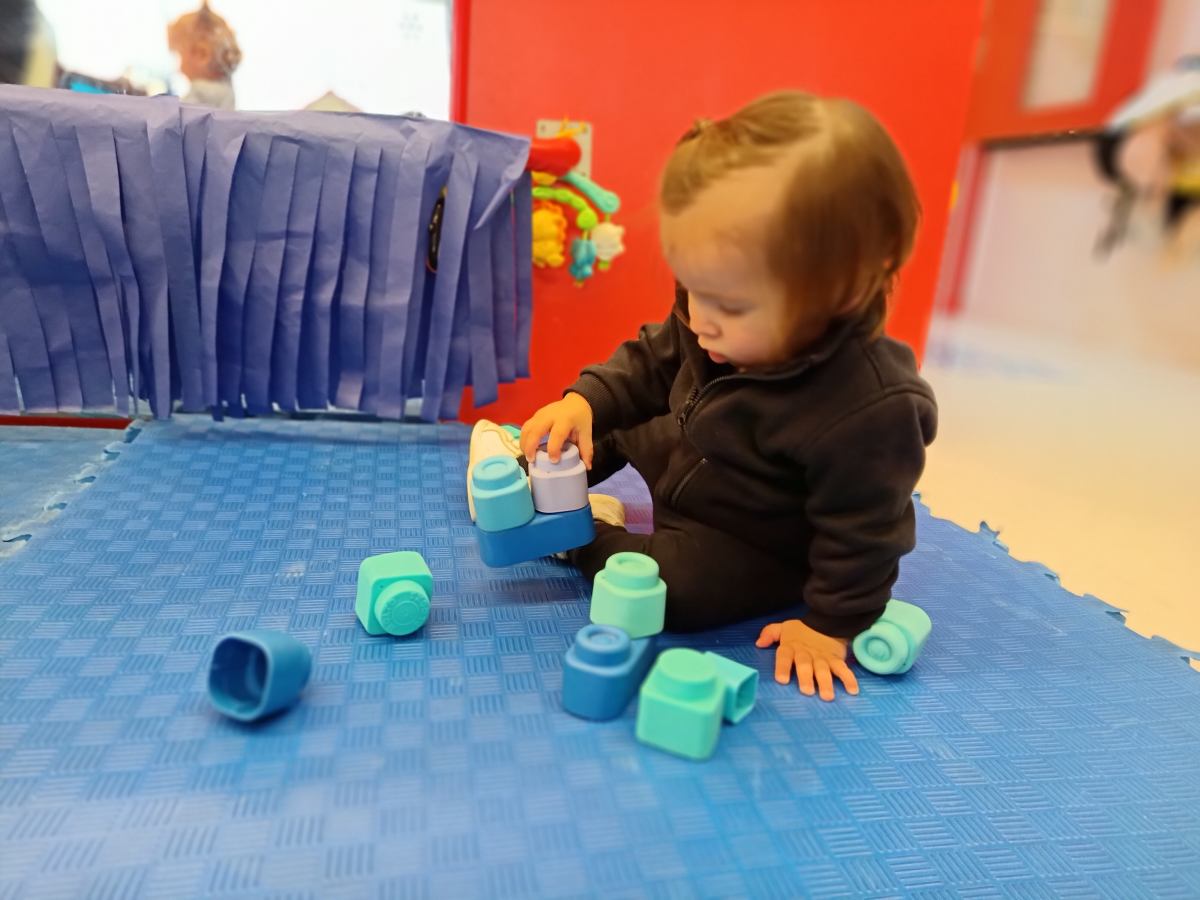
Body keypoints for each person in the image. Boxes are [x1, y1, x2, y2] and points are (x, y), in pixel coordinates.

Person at [519, 90, 937, 701]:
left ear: (840, 295)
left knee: (676, 594)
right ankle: (554, 463)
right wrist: (582, 402)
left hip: (751, 539)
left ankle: (583, 535)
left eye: (731, 306)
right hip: (695, 449)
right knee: (620, 414)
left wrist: (832, 625)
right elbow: (651, 362)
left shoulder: (869, 410)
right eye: (692, 288)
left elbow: (867, 533)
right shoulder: (710, 316)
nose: (700, 320)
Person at [167, 1, 241, 109]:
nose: (179, 69)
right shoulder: (225, 89)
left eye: (180, 56)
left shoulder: (201, 92)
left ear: (202, 54)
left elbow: (176, 116)